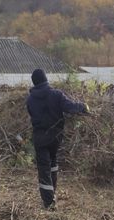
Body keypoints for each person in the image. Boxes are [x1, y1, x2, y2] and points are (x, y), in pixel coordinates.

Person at [26, 69, 89, 210]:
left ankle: (48, 203)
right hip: (55, 137)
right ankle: (52, 194)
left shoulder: (30, 99)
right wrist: (83, 107)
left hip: (40, 138)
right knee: (53, 164)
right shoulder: (56, 94)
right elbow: (70, 107)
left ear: (34, 82)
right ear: (45, 79)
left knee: (43, 169)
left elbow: (31, 113)